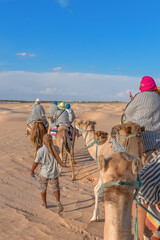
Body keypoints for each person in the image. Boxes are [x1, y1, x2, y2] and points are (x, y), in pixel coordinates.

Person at [123, 76, 160, 239]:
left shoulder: (137, 98)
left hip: (138, 144)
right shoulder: (158, 97)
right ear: (153, 87)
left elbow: (126, 114)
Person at [30, 134, 64, 213]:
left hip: (44, 173)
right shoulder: (56, 148)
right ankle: (58, 202)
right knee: (56, 188)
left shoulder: (41, 150)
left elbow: (36, 162)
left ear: (43, 141)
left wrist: (32, 170)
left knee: (43, 188)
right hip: (54, 172)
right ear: (52, 140)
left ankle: (45, 204)